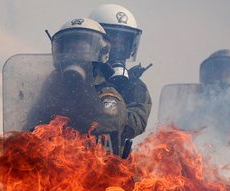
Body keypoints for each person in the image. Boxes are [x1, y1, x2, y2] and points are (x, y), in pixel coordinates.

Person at [24, 18, 147, 159]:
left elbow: (109, 125)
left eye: (82, 50)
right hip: (56, 169)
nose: (76, 56)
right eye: (70, 50)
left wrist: (82, 97)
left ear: (101, 53)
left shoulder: (106, 90)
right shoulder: (52, 88)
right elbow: (32, 126)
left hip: (99, 171)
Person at [89, 4, 152, 155]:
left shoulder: (135, 86)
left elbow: (134, 125)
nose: (118, 48)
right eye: (112, 41)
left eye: (123, 42)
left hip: (110, 164)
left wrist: (113, 106)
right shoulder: (76, 76)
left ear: (131, 47)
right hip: (67, 154)